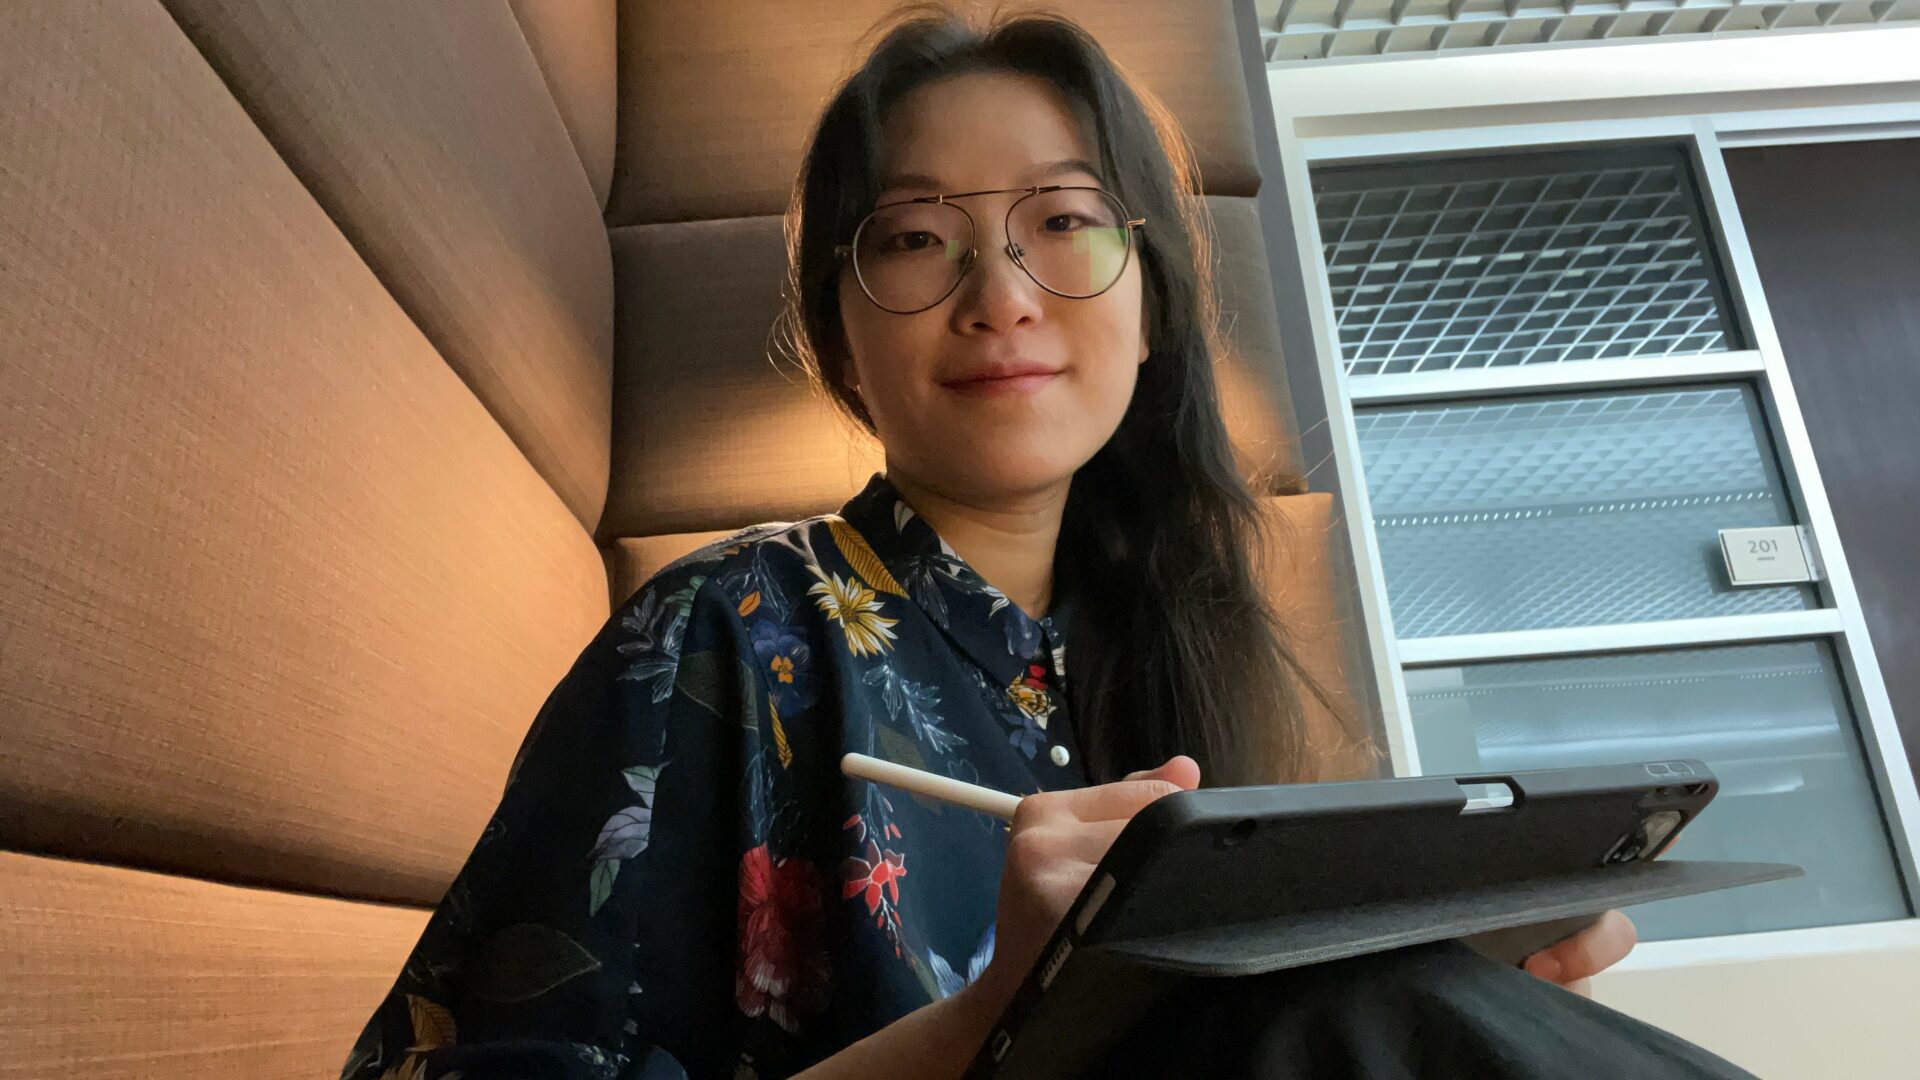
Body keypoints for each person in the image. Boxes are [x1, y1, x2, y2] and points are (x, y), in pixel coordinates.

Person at [343, 8, 1733, 1080]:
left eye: (1062, 221)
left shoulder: (1184, 660)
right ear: (839, 336)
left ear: (1152, 299)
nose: (1000, 294)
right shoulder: (729, 629)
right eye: (913, 239)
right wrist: (994, 1019)